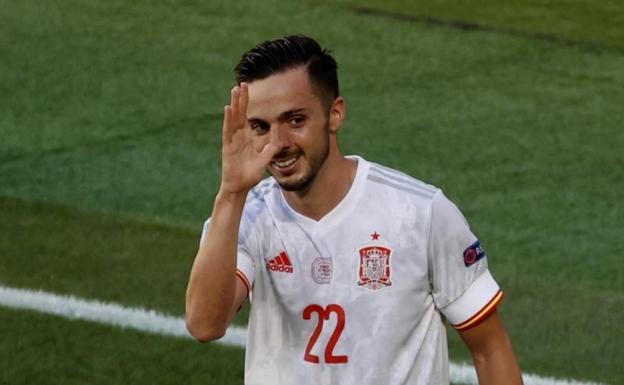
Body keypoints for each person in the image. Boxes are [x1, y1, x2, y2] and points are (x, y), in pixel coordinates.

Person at [185, 35, 523, 385]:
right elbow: (205, 324)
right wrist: (231, 192)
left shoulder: (420, 214)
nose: (278, 144)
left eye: (295, 120)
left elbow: (490, 349)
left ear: (335, 114)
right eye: (261, 127)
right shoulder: (245, 215)